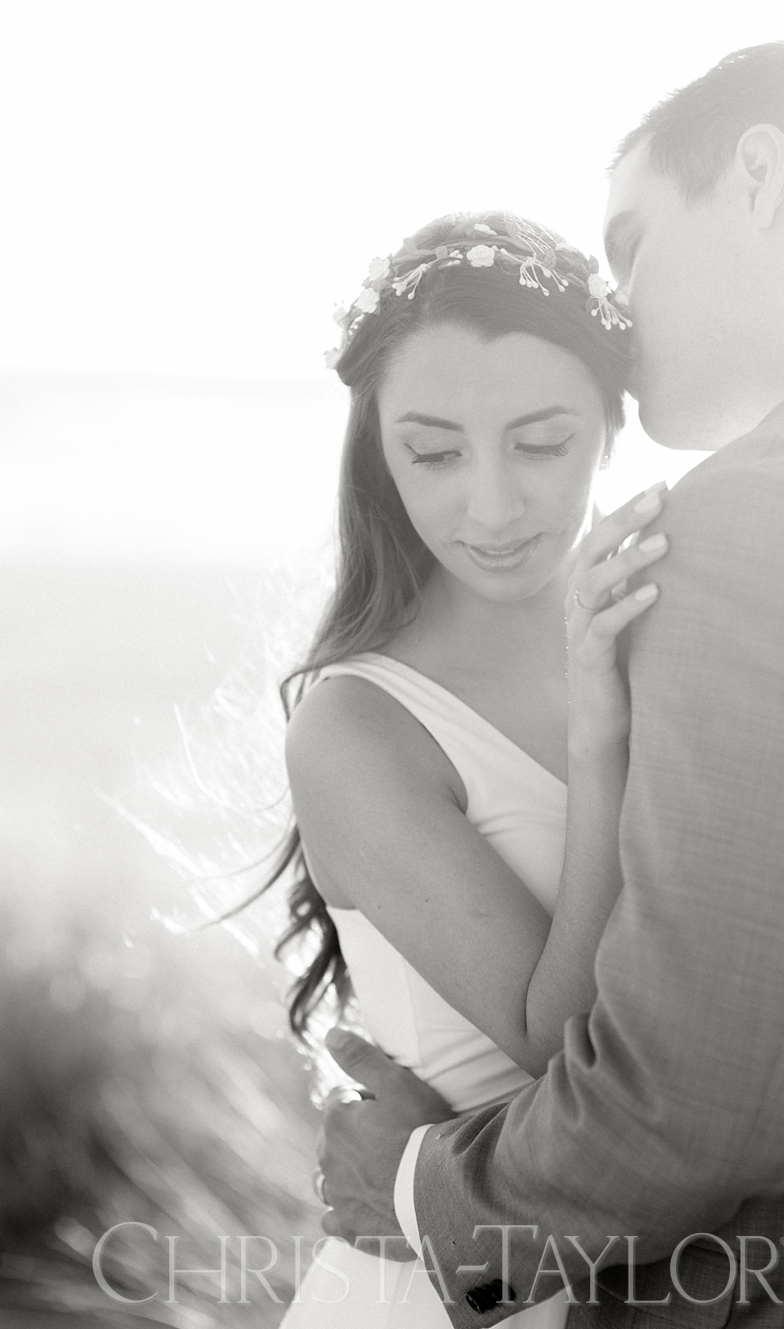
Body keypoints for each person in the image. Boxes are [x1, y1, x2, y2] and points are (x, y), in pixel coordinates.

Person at [316, 41, 784, 1327]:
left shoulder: (768, 521)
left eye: (632, 243)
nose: (621, 306)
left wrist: (417, 1188)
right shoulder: (364, 716)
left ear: (756, 176)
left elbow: (686, 1112)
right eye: (435, 450)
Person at [276, 212, 670, 1327]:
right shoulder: (357, 727)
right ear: (377, 452)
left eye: (542, 444)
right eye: (433, 452)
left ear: (611, 420)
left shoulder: (683, 633)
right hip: (430, 1291)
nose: (490, 509)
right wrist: (599, 732)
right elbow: (561, 1040)